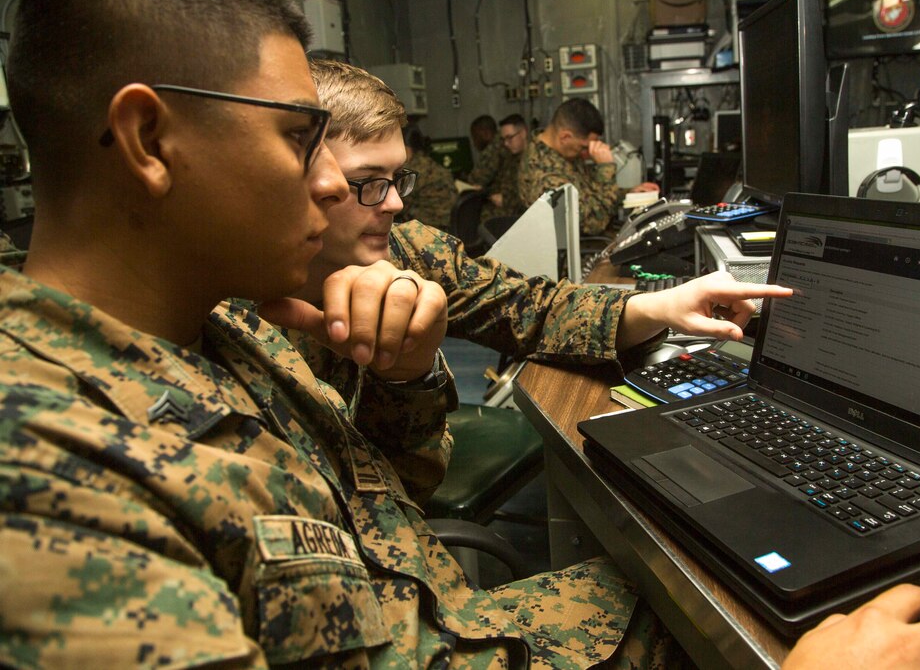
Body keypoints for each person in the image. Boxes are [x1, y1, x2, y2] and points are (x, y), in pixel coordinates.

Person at [0, 0, 920, 667]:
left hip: (456, 622)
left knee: (825, 586)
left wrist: (399, 376)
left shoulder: (217, 325)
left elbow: (372, 517)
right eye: (300, 137)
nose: (331, 187)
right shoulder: (41, 474)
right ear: (147, 139)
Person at [296, 58, 794, 502]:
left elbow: (528, 306)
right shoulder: (236, 315)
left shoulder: (409, 249)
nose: (396, 203)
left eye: (397, 178)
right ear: (306, 178)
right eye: (368, 182)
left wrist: (659, 307)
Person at [518, 98, 658, 236]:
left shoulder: (560, 152)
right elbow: (595, 223)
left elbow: (590, 193)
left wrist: (628, 193)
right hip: (578, 250)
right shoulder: (545, 174)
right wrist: (606, 168)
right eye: (584, 147)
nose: (586, 153)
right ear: (565, 137)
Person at [400, 123, 456, 230]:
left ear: (405, 148)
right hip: (448, 228)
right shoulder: (430, 163)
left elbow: (399, 206)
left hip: (426, 230)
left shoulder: (410, 171)